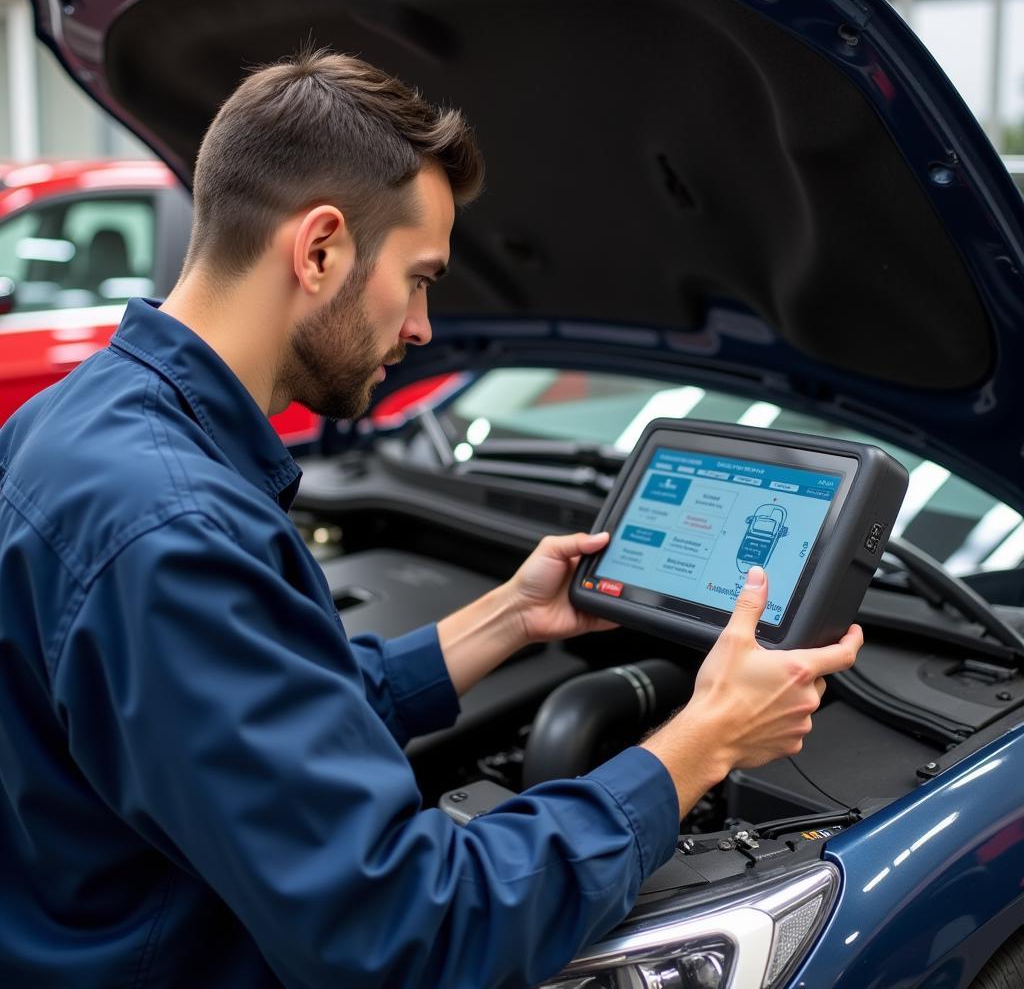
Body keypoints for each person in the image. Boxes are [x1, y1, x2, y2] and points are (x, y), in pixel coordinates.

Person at [0, 50, 862, 988]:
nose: (421, 326)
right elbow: (411, 932)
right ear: (320, 249)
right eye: (418, 277)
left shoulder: (77, 423)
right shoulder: (171, 530)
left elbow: (243, 720)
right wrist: (706, 742)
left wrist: (507, 621)